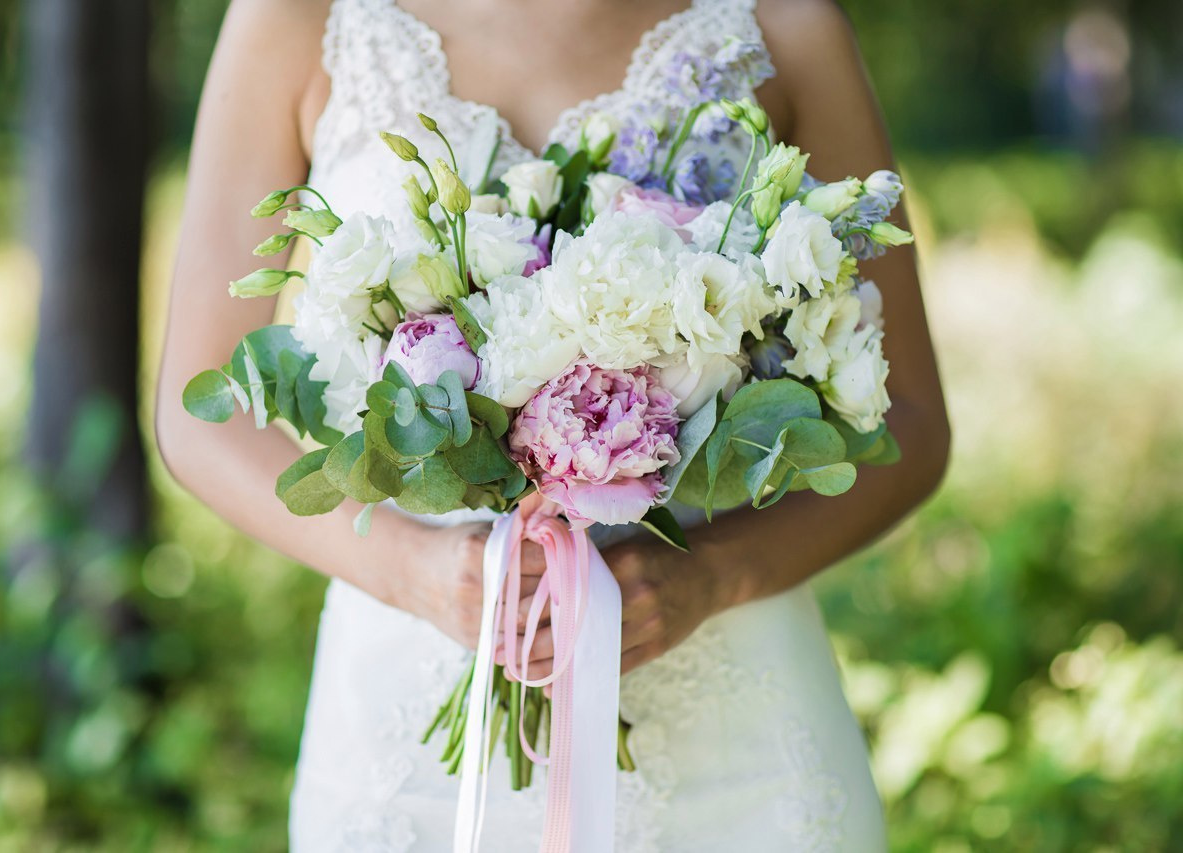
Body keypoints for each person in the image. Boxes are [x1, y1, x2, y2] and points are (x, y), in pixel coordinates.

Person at [155, 0, 951, 848]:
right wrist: (411, 570)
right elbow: (198, 412)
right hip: (411, 725)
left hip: (734, 746)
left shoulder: (781, 22)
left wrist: (713, 577)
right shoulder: (299, 18)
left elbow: (911, 425)